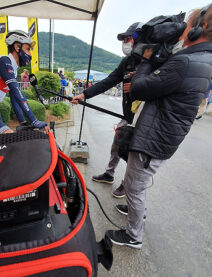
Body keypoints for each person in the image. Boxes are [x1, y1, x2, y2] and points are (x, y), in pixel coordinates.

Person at [105, 4, 212, 249]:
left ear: (200, 28)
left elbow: (140, 88)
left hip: (155, 137)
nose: (180, 33)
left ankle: (133, 235)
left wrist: (147, 60)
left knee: (134, 184)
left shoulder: (186, 62)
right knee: (137, 184)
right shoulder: (197, 59)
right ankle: (136, 211)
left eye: (185, 28)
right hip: (162, 133)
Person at [71, 22, 143, 198]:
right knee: (117, 144)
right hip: (128, 116)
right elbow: (109, 81)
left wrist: (137, 84)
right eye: (123, 39)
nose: (125, 43)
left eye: (128, 39)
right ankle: (109, 174)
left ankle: (127, 185)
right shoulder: (127, 62)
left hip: (144, 117)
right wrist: (85, 94)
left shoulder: (152, 62)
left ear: (140, 39)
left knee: (133, 157)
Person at [0, 30, 48, 134]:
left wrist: (23, 121)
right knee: (9, 138)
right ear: (17, 47)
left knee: (1, 144)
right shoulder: (4, 61)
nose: (29, 54)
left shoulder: (14, 71)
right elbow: (17, 92)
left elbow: (14, 98)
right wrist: (34, 120)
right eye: (28, 49)